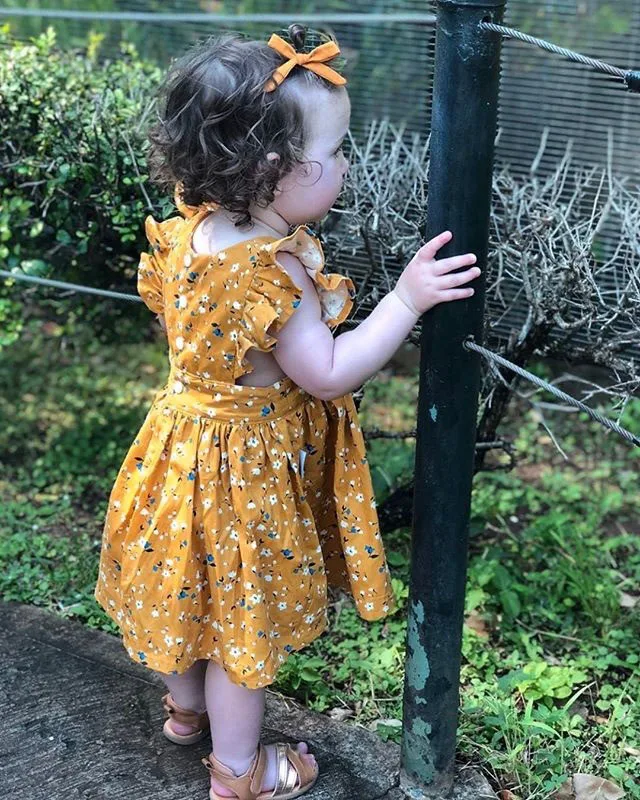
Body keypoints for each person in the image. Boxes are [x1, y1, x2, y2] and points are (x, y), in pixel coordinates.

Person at [94, 23, 480, 800]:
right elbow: (328, 373)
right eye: (335, 152)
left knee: (184, 587)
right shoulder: (272, 273)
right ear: (273, 170)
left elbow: (189, 335)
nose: (346, 164)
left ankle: (185, 712)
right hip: (241, 477)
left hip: (177, 448)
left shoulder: (188, 233)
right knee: (241, 627)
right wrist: (406, 301)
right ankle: (239, 773)